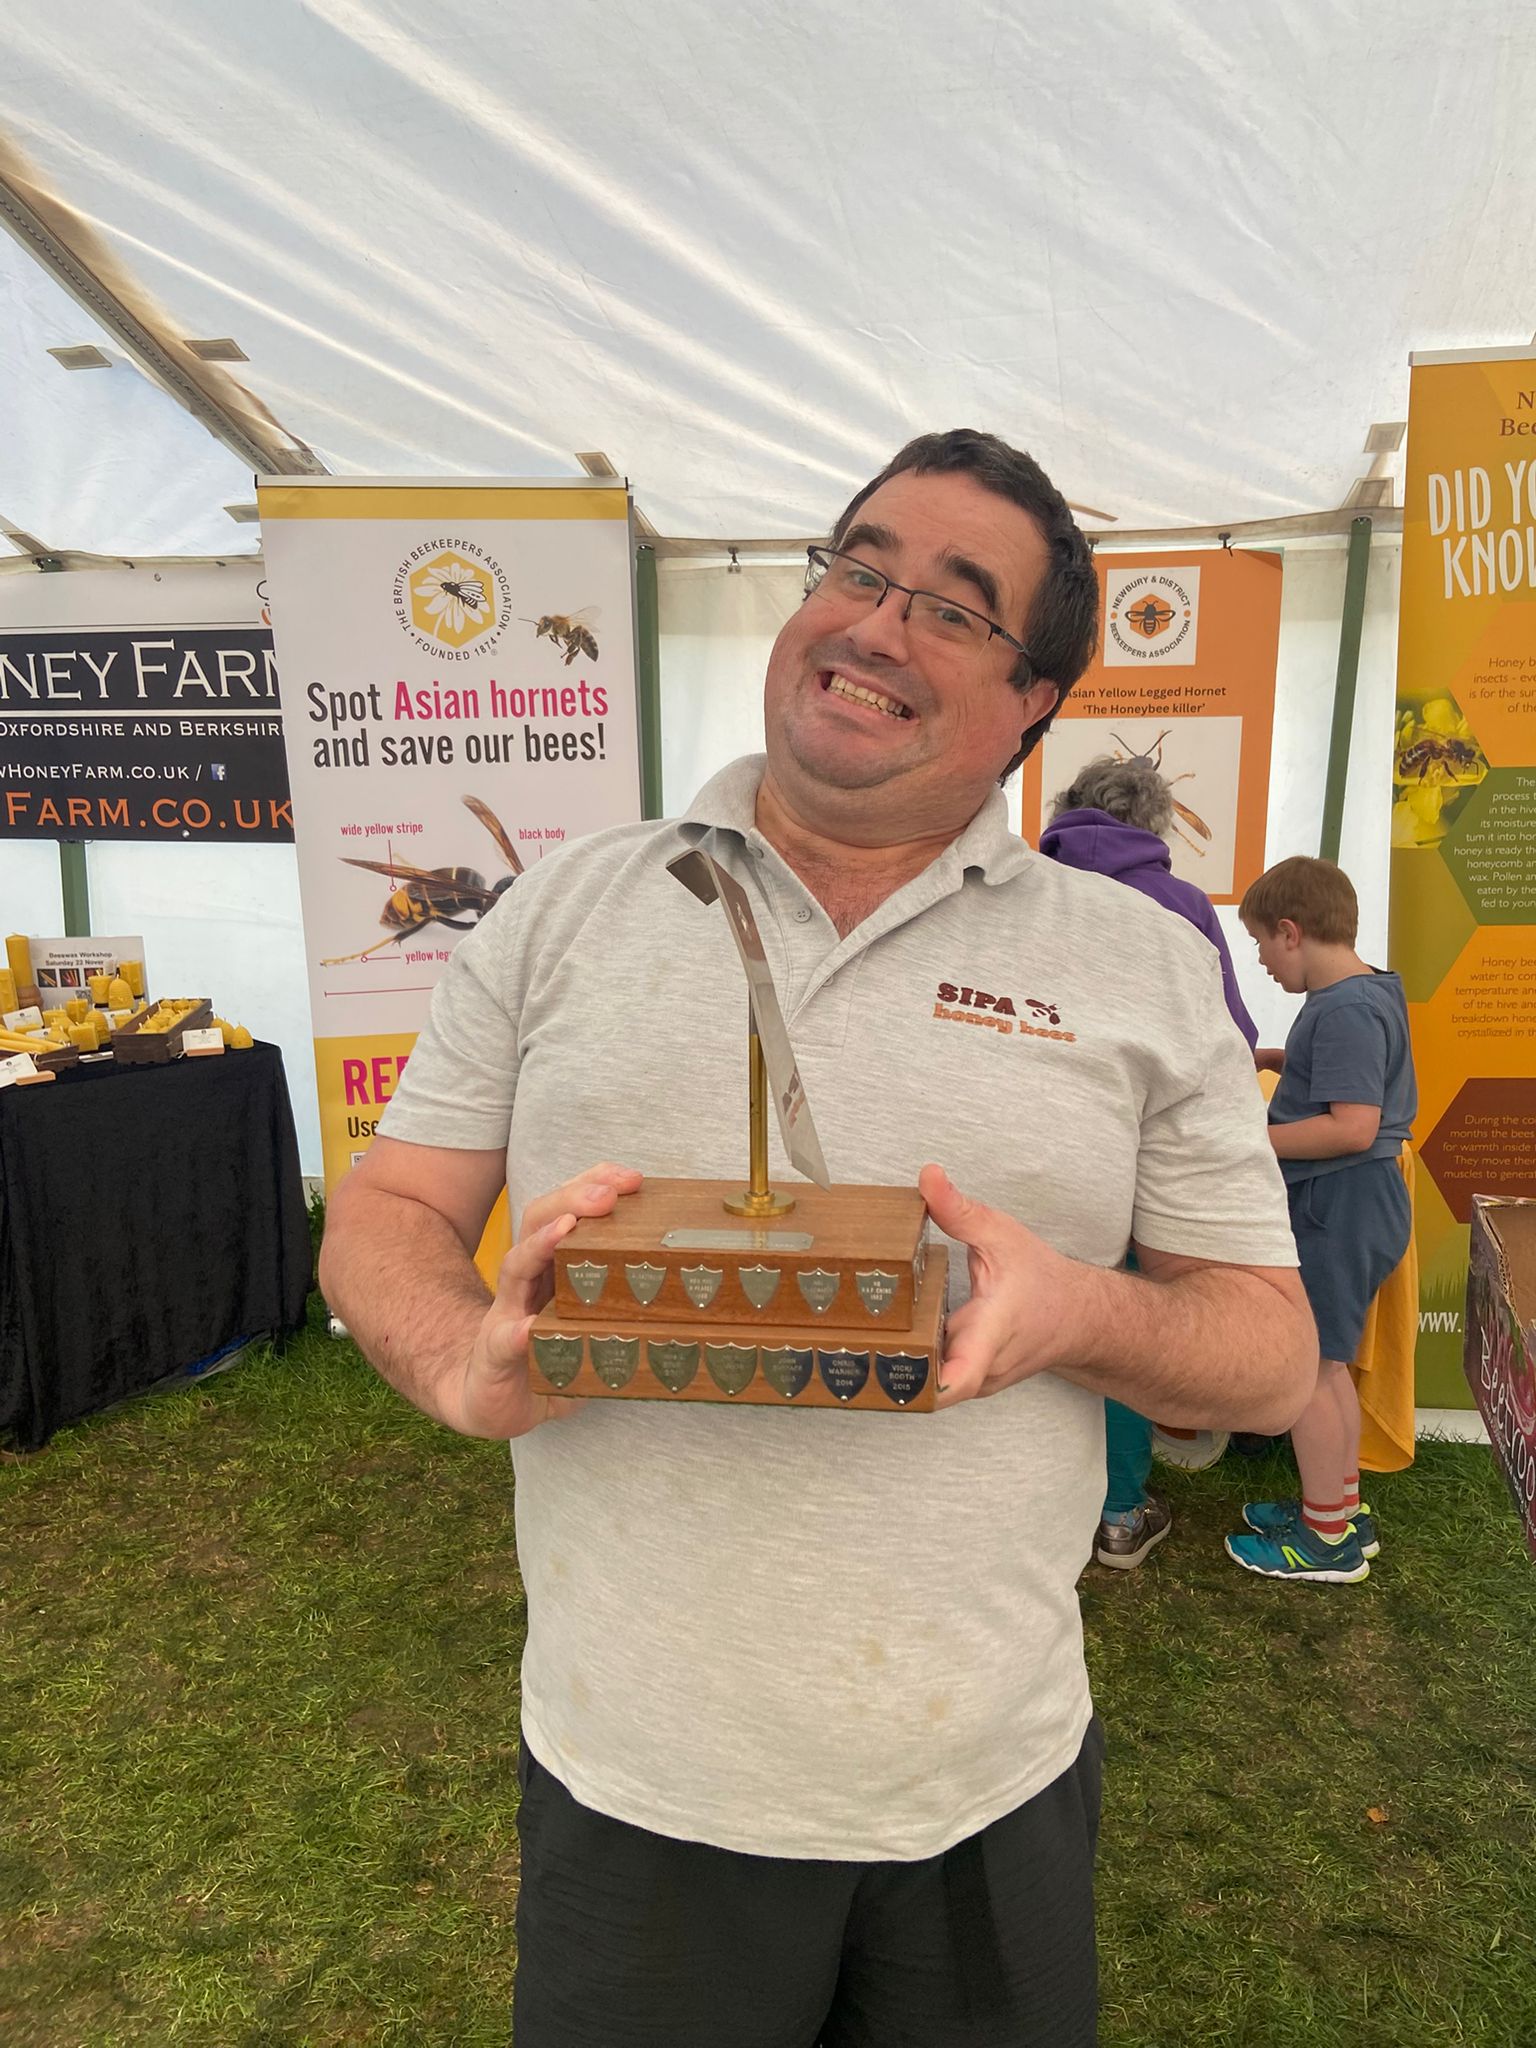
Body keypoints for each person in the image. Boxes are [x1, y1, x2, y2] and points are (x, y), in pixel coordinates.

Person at [319, 428, 1315, 2047]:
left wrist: (1078, 1314)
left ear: (1035, 698)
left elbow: (1269, 1353)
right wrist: (457, 1363)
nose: (876, 623)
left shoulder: (1135, 960)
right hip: (639, 1781)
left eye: (954, 607)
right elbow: (388, 1207)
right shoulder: (566, 906)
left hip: (983, 1784)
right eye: (858, 568)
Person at [1040, 754, 1258, 1570]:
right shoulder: (1182, 905)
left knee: (1037, 1306)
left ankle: (1040, 1507)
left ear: (1069, 808)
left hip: (1037, 1141)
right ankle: (1120, 1515)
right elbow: (1230, 1037)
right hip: (1142, 1150)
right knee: (1127, 1322)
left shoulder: (1022, 887)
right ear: (1156, 822)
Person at [1224, 855, 1417, 1585]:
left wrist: (1249, 1139)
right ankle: (1338, 1506)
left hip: (1341, 1203)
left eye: (1261, 945)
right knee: (1329, 1365)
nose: (1262, 962)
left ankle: (1323, 1540)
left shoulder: (1342, 1011)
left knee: (1308, 1369)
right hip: (1357, 1202)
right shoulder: (1368, 991)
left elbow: (1352, 1127)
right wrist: (1284, 1059)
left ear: (1292, 931)